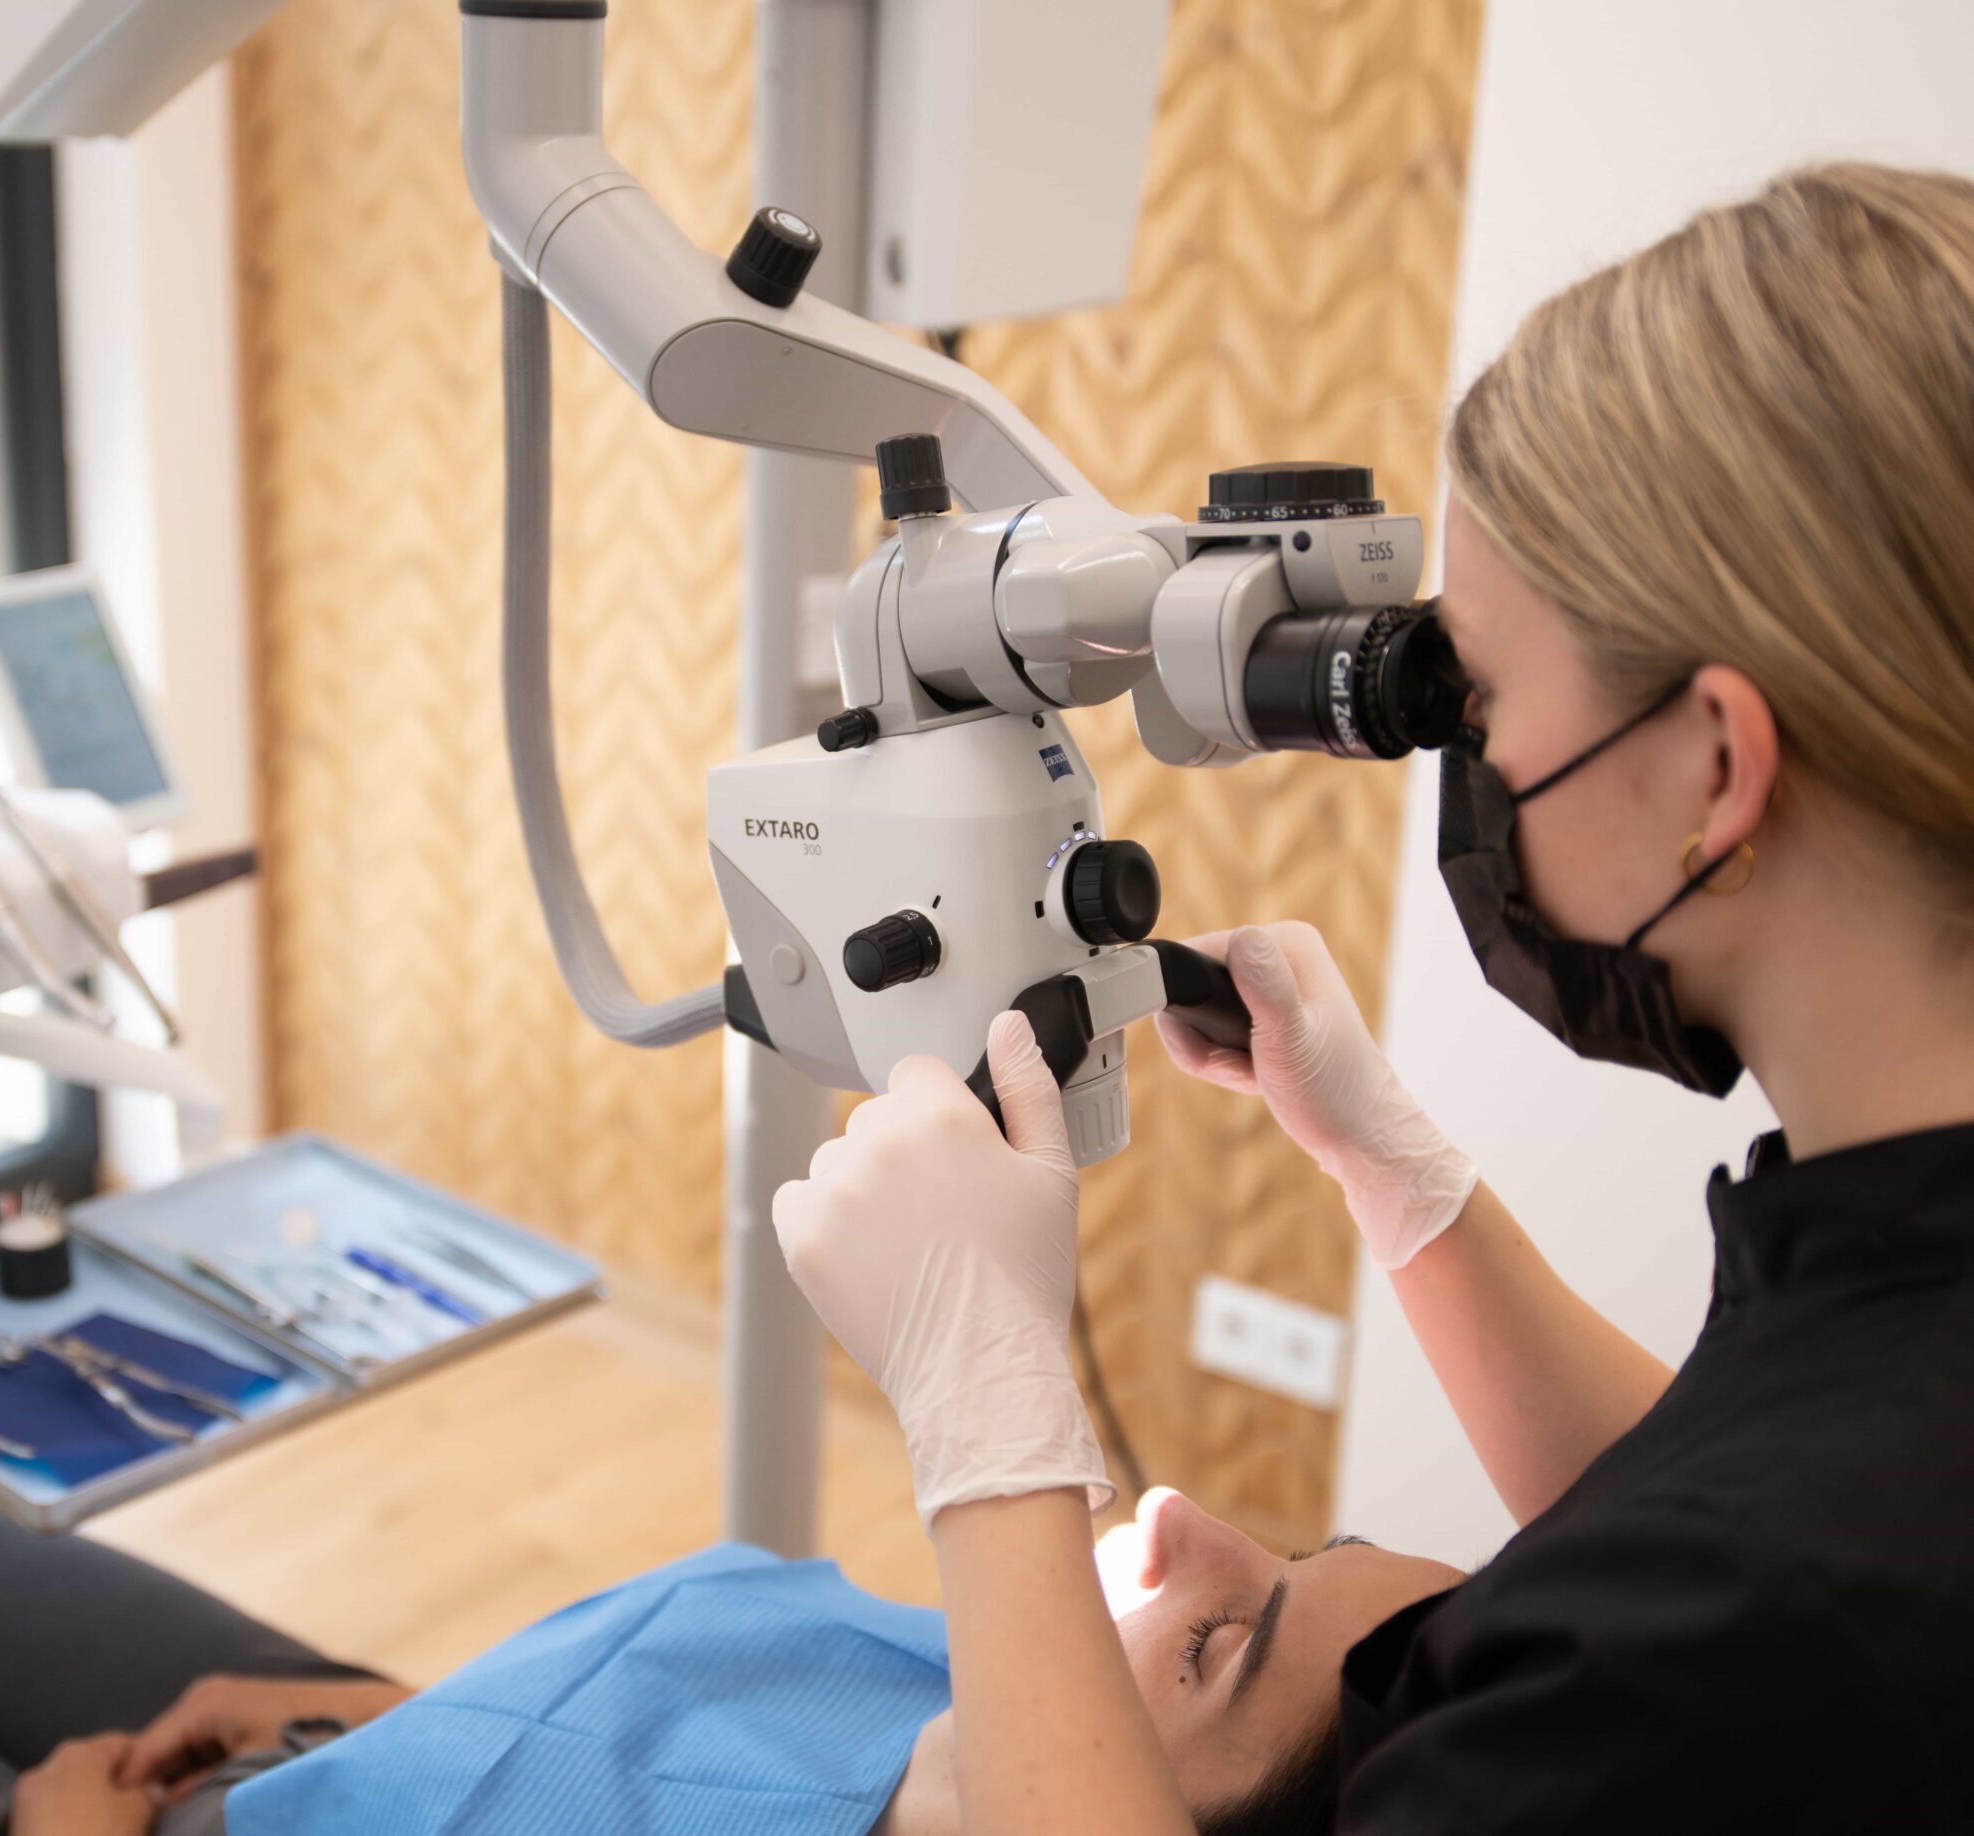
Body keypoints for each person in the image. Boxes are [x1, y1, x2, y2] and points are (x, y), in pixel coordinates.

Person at [771, 160, 1974, 1833]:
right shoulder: (1885, 1283)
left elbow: (1746, 1597)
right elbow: (1713, 1487)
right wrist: (1399, 1178)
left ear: (1716, 769)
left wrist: (988, 1421)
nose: (1471, 762)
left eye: (1482, 699)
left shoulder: (1734, 1639)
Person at [0, 1192, 1456, 1836]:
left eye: (1222, 1642)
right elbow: (646, 1746)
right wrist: (377, 1709)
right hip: (369, 1759)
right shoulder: (989, 1703)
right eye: (1288, 1551)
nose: (1185, 1525)